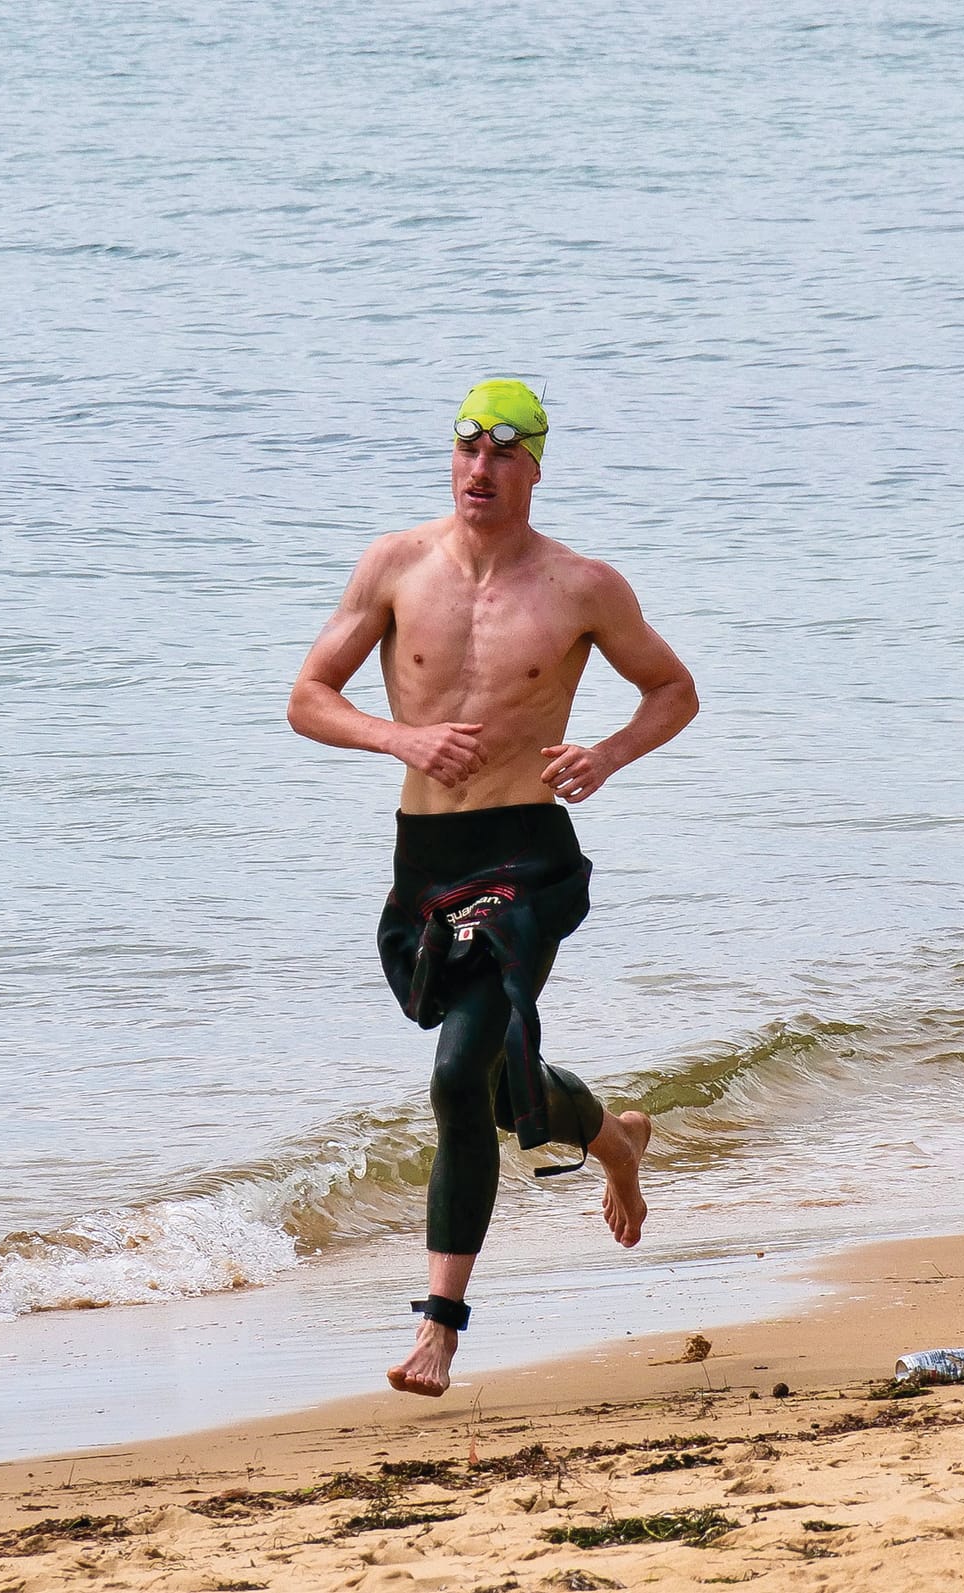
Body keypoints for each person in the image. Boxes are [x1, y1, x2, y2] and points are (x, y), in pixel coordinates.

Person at [287, 378, 699, 1397]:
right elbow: (306, 699)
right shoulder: (394, 565)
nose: (481, 467)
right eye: (468, 448)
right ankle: (613, 1136)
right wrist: (400, 736)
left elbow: (673, 690)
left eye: (503, 452)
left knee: (454, 1078)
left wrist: (604, 755)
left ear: (534, 468)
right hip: (424, 862)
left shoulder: (579, 587)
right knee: (498, 1081)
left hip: (528, 858)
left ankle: (439, 1324)